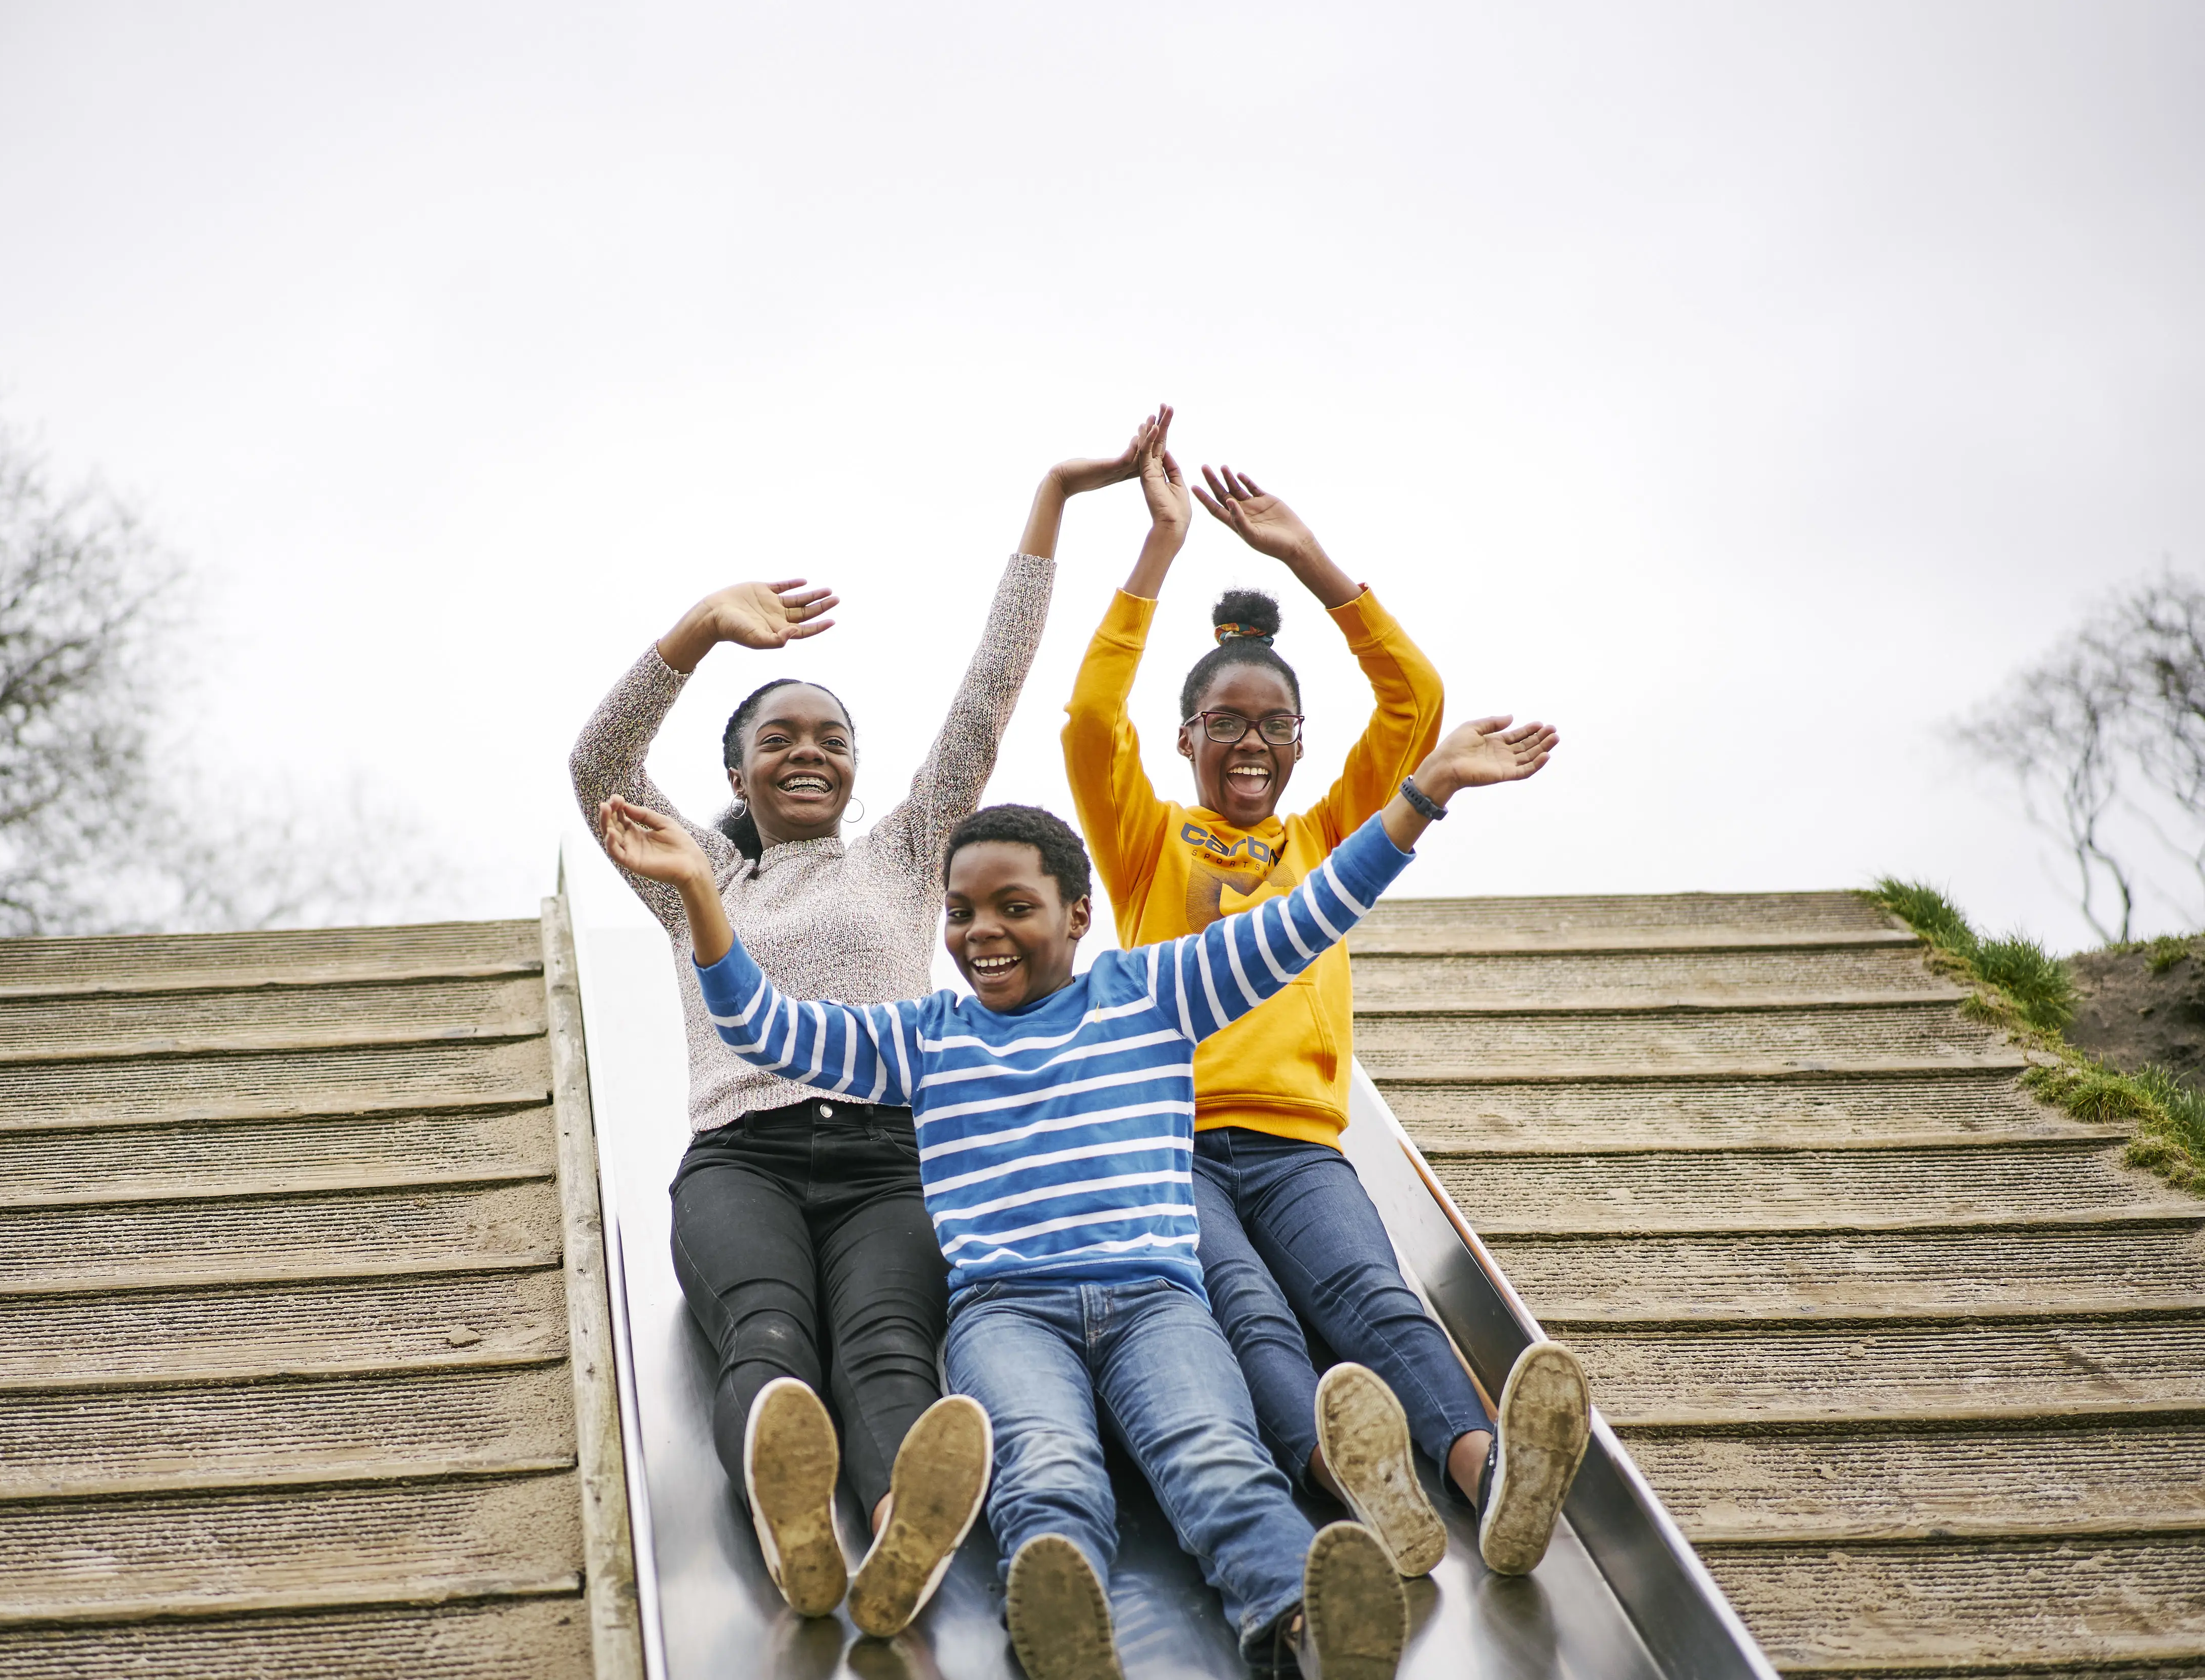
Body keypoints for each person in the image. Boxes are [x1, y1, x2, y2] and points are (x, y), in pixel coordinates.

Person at [591, 699, 1557, 1680]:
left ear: (1076, 915)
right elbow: (768, 1029)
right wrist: (703, 900)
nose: (982, 934)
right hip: (1006, 1316)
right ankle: (1064, 1633)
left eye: (1015, 906)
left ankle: (1307, 1623)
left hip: (1156, 1305)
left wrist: (1425, 791)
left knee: (1215, 1461)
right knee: (1045, 1479)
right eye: (961, 913)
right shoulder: (927, 1037)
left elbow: (1307, 918)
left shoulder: (1150, 993)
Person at [566, 415, 1167, 1636]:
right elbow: (597, 766)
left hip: (897, 1153)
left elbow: (992, 685)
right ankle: (799, 1535)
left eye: (830, 739)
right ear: (735, 776)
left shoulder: (908, 851)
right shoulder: (697, 879)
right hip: (744, 1156)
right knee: (772, 1333)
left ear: (855, 769)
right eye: (775, 739)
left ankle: (901, 1527)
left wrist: (1052, 495)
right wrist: (693, 631)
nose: (806, 753)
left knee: (889, 1347)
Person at [1061, 414, 1592, 1580]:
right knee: (1245, 1312)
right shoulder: (1148, 841)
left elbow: (1414, 704)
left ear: (1300, 745)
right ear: (1187, 735)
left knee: (1372, 1298)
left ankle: (1484, 1476)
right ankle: (1353, 1485)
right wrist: (1156, 551)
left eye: (1273, 726)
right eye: (1226, 724)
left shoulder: (1323, 837)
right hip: (1171, 1143)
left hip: (1300, 1143)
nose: (1249, 742)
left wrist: (1312, 560)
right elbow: (1089, 720)